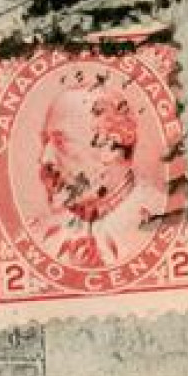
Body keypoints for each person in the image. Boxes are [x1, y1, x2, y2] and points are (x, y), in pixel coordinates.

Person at [31, 79, 168, 267]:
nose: (45, 159)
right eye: (45, 141)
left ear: (109, 147)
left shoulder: (166, 220)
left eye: (60, 141)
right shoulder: (39, 234)